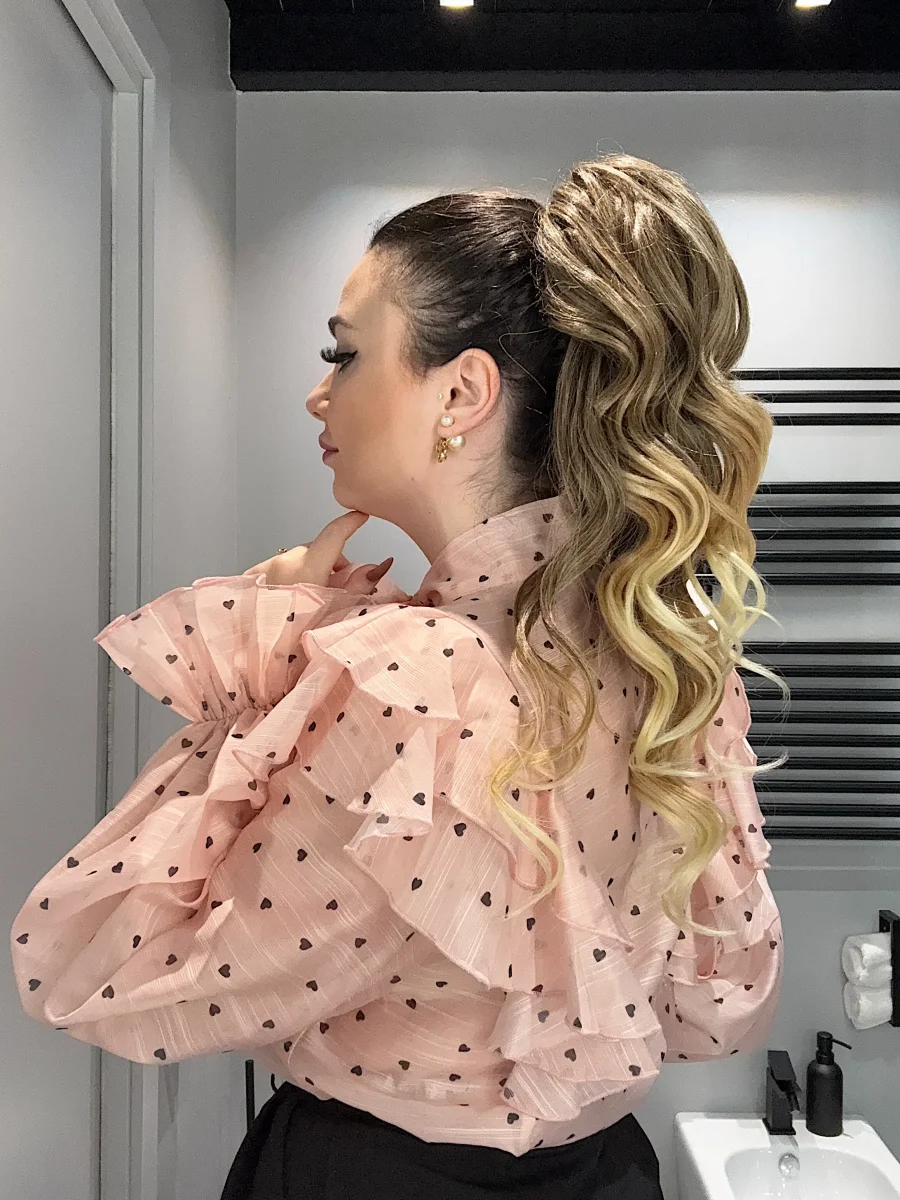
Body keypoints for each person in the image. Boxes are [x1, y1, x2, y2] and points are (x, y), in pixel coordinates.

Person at [11, 153, 787, 1199]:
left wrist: (261, 674)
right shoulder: (666, 661)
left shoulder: (413, 684)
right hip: (607, 1175)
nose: (316, 393)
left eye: (343, 355)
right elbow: (717, 1008)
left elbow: (97, 967)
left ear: (461, 392)